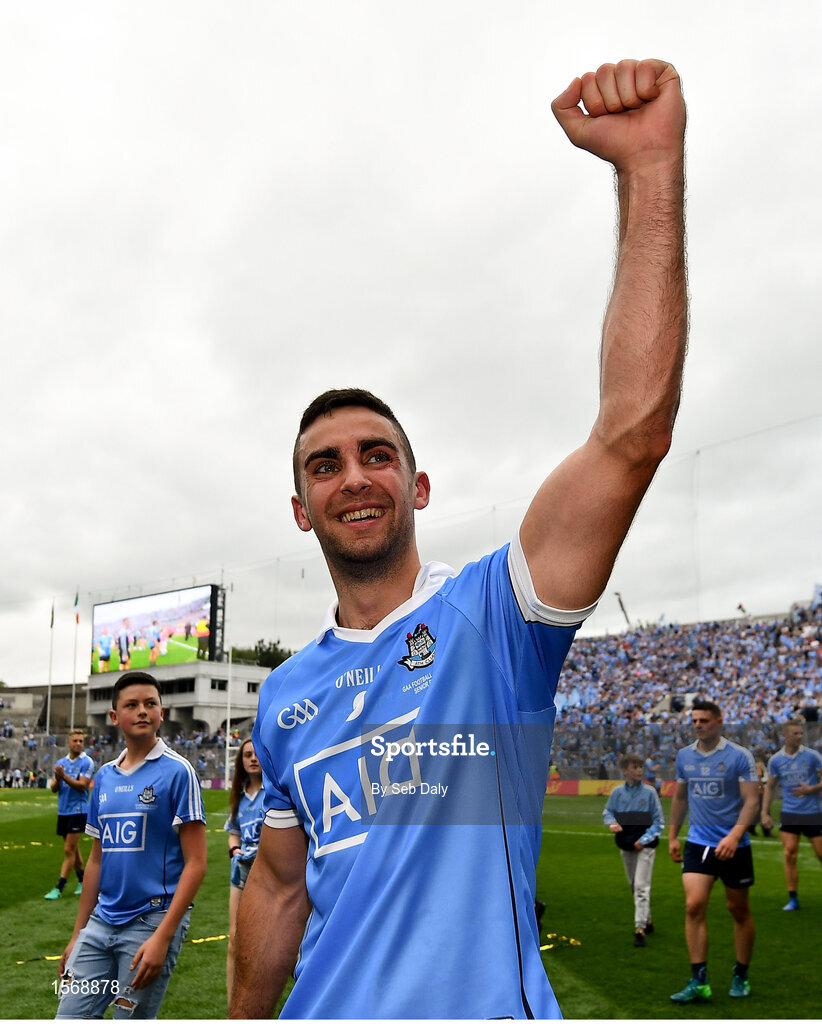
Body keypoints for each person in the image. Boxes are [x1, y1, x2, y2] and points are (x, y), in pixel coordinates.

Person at [231, 57, 687, 1021]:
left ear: (417, 485)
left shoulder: (492, 619)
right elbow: (276, 887)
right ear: (301, 510)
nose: (353, 476)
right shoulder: (283, 696)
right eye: (324, 465)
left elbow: (631, 434)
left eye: (376, 454)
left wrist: (647, 169)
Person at [55, 672, 207, 1019]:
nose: (142, 711)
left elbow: (196, 863)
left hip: (151, 921)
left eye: (150, 704)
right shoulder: (104, 777)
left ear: (162, 713)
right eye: (132, 705)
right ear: (114, 717)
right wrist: (78, 934)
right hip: (102, 922)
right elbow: (96, 861)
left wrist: (163, 936)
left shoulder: (178, 772)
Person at [668, 700, 760, 1004]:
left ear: (719, 721)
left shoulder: (739, 756)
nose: (698, 724)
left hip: (735, 846)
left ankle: (741, 973)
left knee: (738, 910)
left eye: (704, 720)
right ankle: (699, 980)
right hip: (698, 843)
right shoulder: (684, 756)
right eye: (694, 720)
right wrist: (672, 836)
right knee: (694, 905)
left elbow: (752, 802)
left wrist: (735, 835)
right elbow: (680, 798)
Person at [602, 753, 664, 947]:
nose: (639, 770)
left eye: (640, 767)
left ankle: (640, 929)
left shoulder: (650, 793)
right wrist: (611, 823)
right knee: (633, 886)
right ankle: (648, 919)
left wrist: (644, 840)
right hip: (626, 844)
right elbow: (607, 811)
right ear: (625, 770)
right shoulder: (617, 793)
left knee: (640, 887)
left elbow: (659, 821)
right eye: (635, 767)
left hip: (645, 846)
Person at [761, 718, 822, 910]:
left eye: (801, 733)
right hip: (790, 812)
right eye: (795, 733)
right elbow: (770, 787)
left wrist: (811, 789)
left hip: (812, 812)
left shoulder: (812, 756)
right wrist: (764, 812)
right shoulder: (776, 760)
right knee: (789, 854)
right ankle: (793, 898)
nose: (799, 736)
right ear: (785, 735)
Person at [224, 739, 264, 1007]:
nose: (252, 758)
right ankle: (233, 1011)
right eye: (247, 755)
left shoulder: (275, 790)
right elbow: (233, 833)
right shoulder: (239, 796)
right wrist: (235, 850)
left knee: (290, 945)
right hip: (241, 871)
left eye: (256, 754)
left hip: (271, 872)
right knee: (234, 941)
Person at [44, 730, 95, 900]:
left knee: (68, 850)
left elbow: (82, 786)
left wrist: (63, 776)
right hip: (63, 810)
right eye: (75, 740)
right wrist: (58, 779)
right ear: (68, 742)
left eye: (81, 741)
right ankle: (82, 880)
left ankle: (59, 887)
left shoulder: (87, 762)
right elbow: (53, 788)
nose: (78, 743)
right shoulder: (61, 762)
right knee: (73, 849)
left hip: (78, 810)